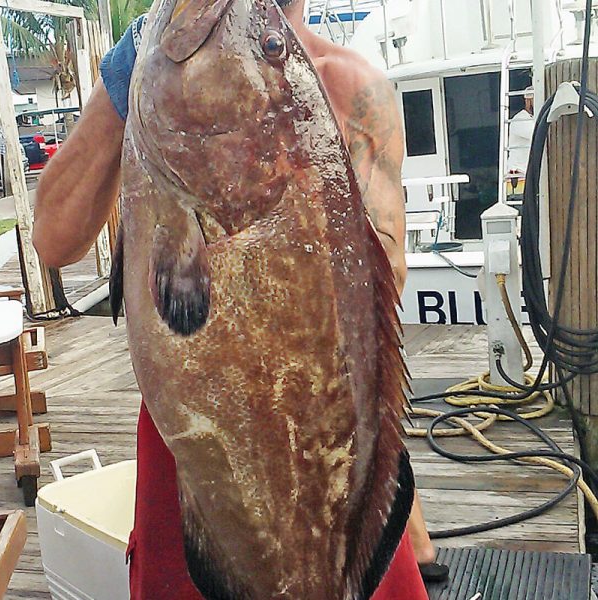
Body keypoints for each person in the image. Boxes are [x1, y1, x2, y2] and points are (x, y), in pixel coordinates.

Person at [33, 3, 443, 598]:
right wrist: (131, 83)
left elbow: (376, 308)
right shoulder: (149, 75)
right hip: (199, 444)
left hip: (320, 454)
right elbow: (54, 237)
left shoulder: (354, 88)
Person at [507, 86, 535, 180]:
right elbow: (536, 135)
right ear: (528, 101)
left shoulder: (532, 118)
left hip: (528, 173)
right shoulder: (520, 119)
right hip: (518, 174)